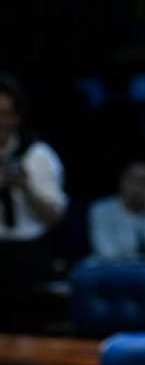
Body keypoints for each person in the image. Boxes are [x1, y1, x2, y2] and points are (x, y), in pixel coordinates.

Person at [0, 72, 69, 287]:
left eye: (6, 113)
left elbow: (54, 216)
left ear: (17, 117)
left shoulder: (38, 154)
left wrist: (26, 188)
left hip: (30, 252)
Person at [86, 158, 145, 262]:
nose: (139, 186)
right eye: (134, 179)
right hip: (115, 273)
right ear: (122, 180)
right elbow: (106, 253)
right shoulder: (102, 210)